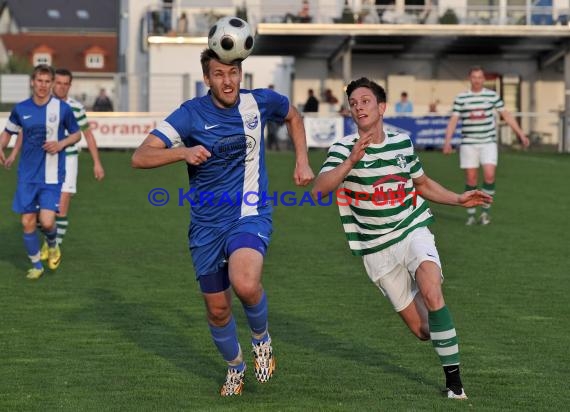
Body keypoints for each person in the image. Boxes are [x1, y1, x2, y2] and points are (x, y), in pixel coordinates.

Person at [131, 48, 314, 396]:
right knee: (217, 311)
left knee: (244, 284)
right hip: (205, 226)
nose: (227, 81)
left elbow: (294, 116)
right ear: (207, 79)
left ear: (241, 74)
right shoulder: (190, 115)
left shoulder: (259, 102)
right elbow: (140, 156)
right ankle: (235, 367)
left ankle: (261, 339)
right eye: (219, 74)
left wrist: (301, 161)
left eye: (233, 72)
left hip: (249, 211)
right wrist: (182, 152)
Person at [311, 77, 492, 400]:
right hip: (376, 250)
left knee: (432, 288)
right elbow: (318, 190)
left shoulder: (402, 144)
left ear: (381, 108)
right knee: (424, 331)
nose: (358, 106)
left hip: (412, 229)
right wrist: (351, 161)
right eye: (353, 102)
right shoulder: (342, 148)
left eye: (365, 100)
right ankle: (440, 334)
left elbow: (421, 185)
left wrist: (458, 198)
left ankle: (455, 385)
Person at [0, 64, 81, 280]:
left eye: (47, 82)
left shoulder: (62, 109)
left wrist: (61, 143)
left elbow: (77, 135)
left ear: (52, 84)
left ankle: (53, 245)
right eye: (39, 81)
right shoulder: (21, 109)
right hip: (27, 175)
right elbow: (8, 132)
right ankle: (36, 265)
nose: (43, 85)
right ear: (32, 82)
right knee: (27, 222)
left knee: (46, 222)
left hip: (52, 174)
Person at [442, 66, 529, 226]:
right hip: (468, 143)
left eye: (480, 77)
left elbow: (506, 114)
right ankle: (470, 214)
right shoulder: (462, 98)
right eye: (474, 77)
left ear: (484, 79)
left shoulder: (492, 96)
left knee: (489, 175)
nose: (477, 80)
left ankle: (485, 213)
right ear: (470, 79)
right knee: (471, 179)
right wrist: (447, 141)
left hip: (488, 142)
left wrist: (520, 133)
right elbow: (454, 120)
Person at [37, 68, 104, 250]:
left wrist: (96, 162)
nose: (62, 87)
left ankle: (53, 248)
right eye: (58, 83)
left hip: (69, 160)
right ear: (52, 83)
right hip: (45, 160)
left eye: (66, 84)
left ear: (70, 85)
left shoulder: (76, 107)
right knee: (39, 210)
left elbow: (88, 135)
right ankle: (49, 238)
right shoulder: (42, 105)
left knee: (61, 207)